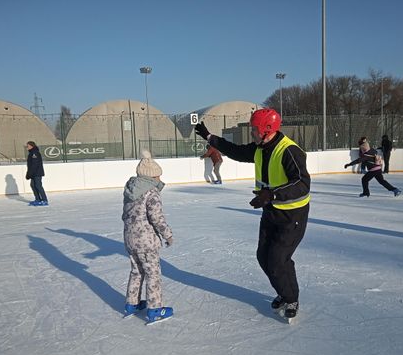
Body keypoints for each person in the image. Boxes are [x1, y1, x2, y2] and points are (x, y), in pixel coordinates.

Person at [195, 108, 310, 320]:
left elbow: (302, 184)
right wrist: (210, 137)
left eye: (254, 129)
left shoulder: (289, 151)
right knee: (263, 256)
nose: (251, 133)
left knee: (278, 260)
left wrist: (272, 194)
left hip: (292, 215)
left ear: (267, 129)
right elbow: (236, 151)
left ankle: (291, 297)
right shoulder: (259, 148)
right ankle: (283, 291)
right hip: (271, 211)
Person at [122, 150, 174, 323]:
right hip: (146, 241)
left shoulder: (130, 190)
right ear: (151, 177)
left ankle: (132, 304)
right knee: (153, 274)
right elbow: (156, 218)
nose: (160, 179)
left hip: (130, 238)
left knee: (136, 271)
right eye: (158, 176)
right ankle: (154, 309)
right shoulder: (151, 192)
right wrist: (167, 235)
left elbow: (126, 215)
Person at [25, 141, 48, 206]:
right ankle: (38, 199)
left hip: (37, 173)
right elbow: (30, 165)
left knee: (38, 186)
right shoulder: (31, 153)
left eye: (28, 146)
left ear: (31, 146)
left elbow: (35, 164)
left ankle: (44, 200)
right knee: (33, 185)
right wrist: (29, 173)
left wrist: (30, 173)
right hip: (33, 173)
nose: (27, 147)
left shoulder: (35, 153)